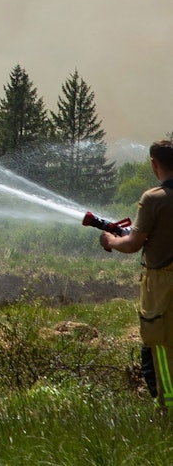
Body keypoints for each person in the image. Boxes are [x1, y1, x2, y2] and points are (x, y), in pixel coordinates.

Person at [100, 139, 173, 406]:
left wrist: (111, 240)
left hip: (162, 286)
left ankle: (167, 407)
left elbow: (132, 244)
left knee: (159, 345)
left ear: (154, 164)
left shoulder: (153, 198)